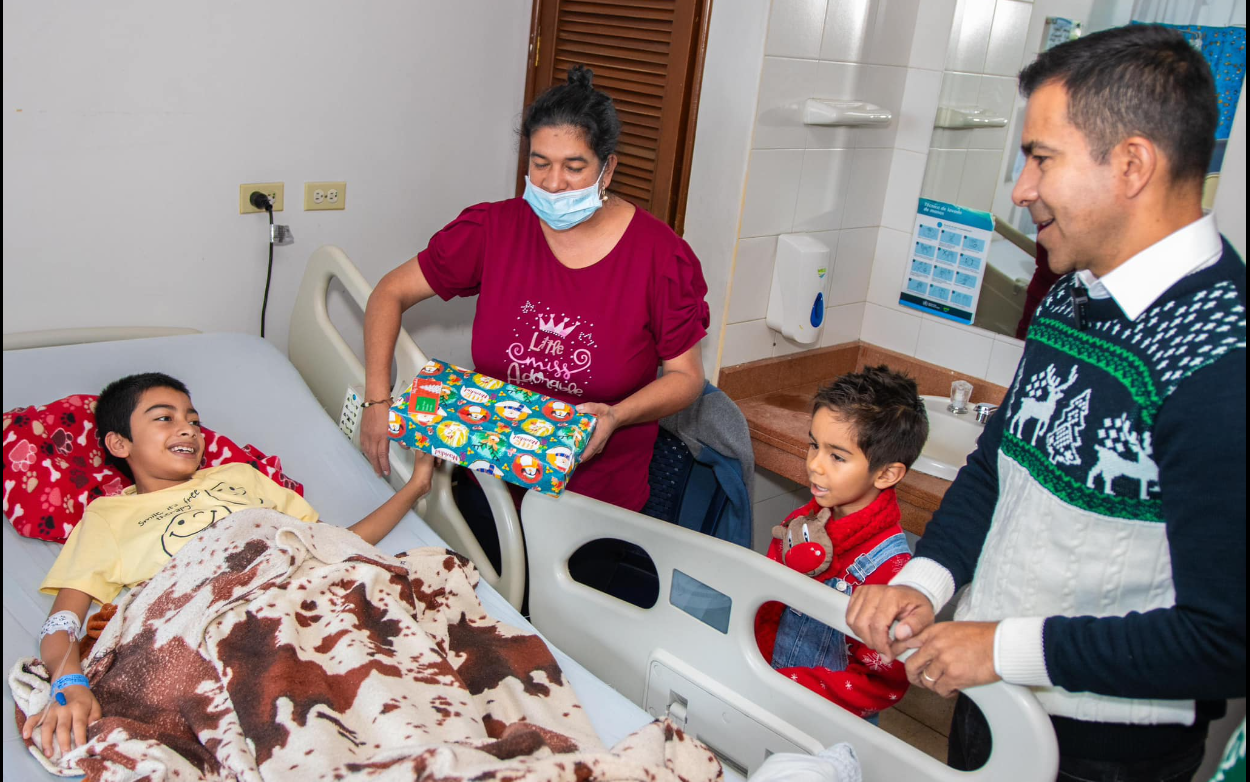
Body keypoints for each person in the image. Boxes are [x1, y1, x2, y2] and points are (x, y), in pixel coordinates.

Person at [846, 24, 1246, 781]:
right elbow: (998, 467)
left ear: (1132, 164)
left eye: (1040, 158)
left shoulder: (1223, 357)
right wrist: (924, 585)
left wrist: (1001, 646)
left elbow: (1224, 637)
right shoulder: (1070, 299)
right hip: (992, 703)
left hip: (1103, 749)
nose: (1021, 189)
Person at [23, 372, 434, 758]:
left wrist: (415, 487)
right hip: (216, 624)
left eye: (193, 421)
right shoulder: (108, 516)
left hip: (302, 595)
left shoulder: (240, 477)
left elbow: (331, 543)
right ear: (119, 444)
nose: (187, 430)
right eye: (164, 418)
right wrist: (69, 683)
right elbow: (61, 624)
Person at [361, 65, 710, 519]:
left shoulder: (660, 257)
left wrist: (615, 416)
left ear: (608, 170)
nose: (552, 182)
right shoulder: (495, 230)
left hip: (596, 504)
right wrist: (377, 399)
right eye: (540, 163)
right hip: (490, 480)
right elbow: (388, 293)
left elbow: (686, 378)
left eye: (574, 166)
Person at [754, 367, 927, 719]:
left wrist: (787, 688)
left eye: (837, 456)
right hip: (766, 687)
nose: (814, 465)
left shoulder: (891, 572)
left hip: (825, 720)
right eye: (813, 445)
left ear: (886, 473)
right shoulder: (808, 518)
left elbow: (881, 681)